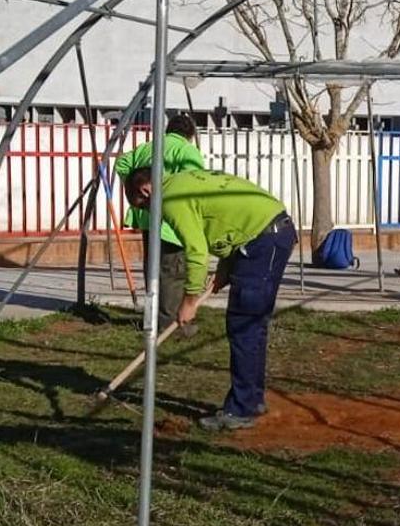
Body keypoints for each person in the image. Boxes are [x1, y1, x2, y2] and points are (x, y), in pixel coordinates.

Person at [123, 167, 296, 431]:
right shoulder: (184, 181)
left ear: (146, 191)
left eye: (143, 207)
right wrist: (227, 266)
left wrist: (189, 302)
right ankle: (252, 399)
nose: (149, 213)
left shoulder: (170, 199)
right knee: (251, 324)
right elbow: (225, 219)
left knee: (244, 324)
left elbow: (196, 252)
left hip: (263, 239)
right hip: (268, 233)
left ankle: (241, 409)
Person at [113, 114, 205, 331]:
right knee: (173, 273)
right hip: (172, 223)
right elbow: (195, 182)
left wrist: (137, 186)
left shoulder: (148, 148)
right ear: (190, 135)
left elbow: (122, 163)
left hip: (147, 218)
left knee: (153, 270)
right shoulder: (186, 151)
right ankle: (170, 324)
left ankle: (151, 318)